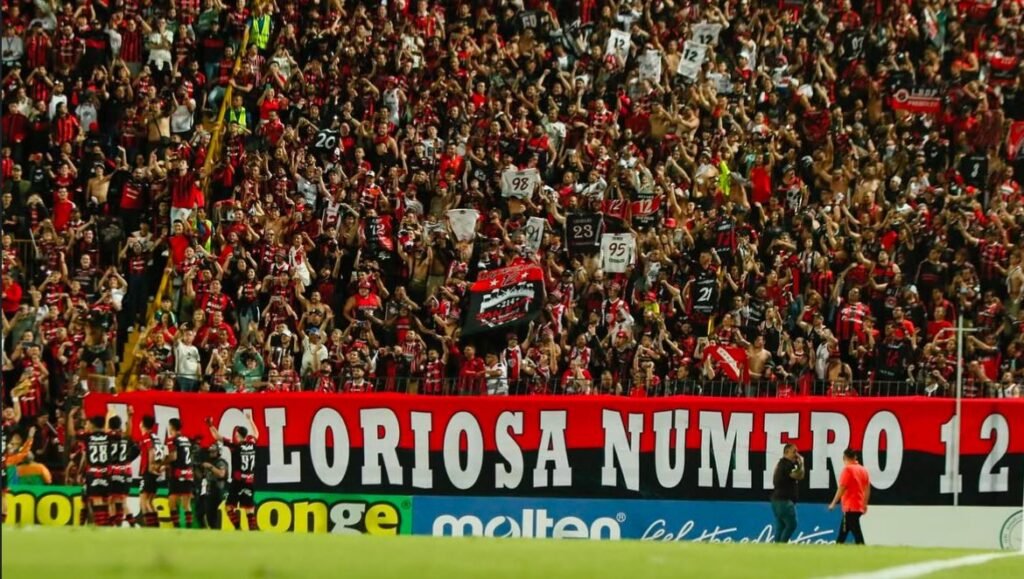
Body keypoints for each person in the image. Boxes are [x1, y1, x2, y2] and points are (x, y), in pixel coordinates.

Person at [208, 415, 259, 531]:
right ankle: (253, 531)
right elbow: (256, 434)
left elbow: (217, 437)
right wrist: (251, 420)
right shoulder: (252, 443)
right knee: (249, 510)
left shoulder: (235, 446)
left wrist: (210, 425)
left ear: (237, 435)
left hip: (238, 482)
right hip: (249, 481)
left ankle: (238, 528)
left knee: (229, 507)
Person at [829, 448, 871, 545]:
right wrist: (865, 504)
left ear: (844, 458)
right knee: (844, 531)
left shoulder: (847, 470)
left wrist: (833, 503)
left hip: (850, 507)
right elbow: (867, 489)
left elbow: (842, 488)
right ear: (855, 457)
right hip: (858, 506)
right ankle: (838, 546)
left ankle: (862, 548)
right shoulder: (863, 470)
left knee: (856, 533)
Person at [106, 411, 137, 527]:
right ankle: (132, 524)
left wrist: (107, 415)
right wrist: (130, 417)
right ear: (120, 425)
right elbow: (129, 432)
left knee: (111, 500)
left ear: (109, 425)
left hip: (113, 470)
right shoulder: (125, 436)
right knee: (123, 501)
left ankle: (112, 525)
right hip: (125, 471)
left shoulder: (108, 436)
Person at [81, 415, 112, 526]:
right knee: (104, 500)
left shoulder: (87, 437)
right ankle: (105, 524)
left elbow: (70, 434)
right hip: (105, 472)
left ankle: (101, 525)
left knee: (96, 499)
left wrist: (70, 416)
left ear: (92, 425)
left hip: (93, 472)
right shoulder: (109, 436)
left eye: (88, 423)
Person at [164, 418, 195, 528]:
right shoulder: (186, 439)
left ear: (171, 427)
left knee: (171, 503)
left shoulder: (172, 440)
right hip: (188, 474)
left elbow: (173, 456)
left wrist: (162, 462)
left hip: (177, 475)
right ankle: (189, 528)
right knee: (186, 505)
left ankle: (176, 527)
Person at [770, 443, 804, 543]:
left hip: (775, 501)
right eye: (794, 452)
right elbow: (799, 476)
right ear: (787, 452)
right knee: (792, 525)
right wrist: (802, 463)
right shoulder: (788, 464)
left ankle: (777, 550)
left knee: (780, 527)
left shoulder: (780, 464)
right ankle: (782, 545)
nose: (796, 455)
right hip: (784, 501)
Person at [136, 415, 163, 528]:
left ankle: (150, 527)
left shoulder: (146, 437)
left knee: (144, 501)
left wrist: (151, 466)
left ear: (142, 424)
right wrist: (159, 466)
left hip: (147, 472)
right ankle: (155, 525)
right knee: (150, 501)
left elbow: (151, 450)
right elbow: (161, 452)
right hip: (155, 473)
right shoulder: (156, 437)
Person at [195, 443, 228, 529]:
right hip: (207, 489)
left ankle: (214, 529)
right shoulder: (208, 461)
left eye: (213, 452)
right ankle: (206, 528)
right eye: (210, 452)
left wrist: (210, 467)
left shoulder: (220, 462)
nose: (211, 454)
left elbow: (221, 474)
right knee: (200, 511)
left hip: (217, 489)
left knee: (211, 513)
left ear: (218, 452)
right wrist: (196, 468)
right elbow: (202, 476)